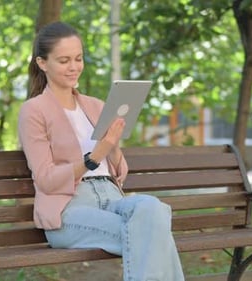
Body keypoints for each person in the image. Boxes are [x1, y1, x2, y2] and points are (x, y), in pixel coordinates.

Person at [18, 21, 185, 281]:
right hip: (69, 211)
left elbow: (119, 172)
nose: (74, 67)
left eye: (78, 58)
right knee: (152, 231)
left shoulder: (96, 106)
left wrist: (113, 146)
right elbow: (46, 179)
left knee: (153, 209)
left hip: (112, 198)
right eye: (63, 61)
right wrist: (96, 155)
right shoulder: (34, 111)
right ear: (42, 63)